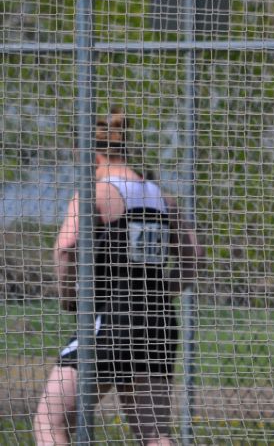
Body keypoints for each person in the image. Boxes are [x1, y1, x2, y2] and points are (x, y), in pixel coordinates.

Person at [33, 109, 204, 446]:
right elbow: (195, 257)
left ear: (90, 152)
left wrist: (69, 296)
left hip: (112, 320)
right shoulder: (162, 197)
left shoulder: (95, 193)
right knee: (154, 434)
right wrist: (160, 292)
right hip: (157, 322)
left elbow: (66, 247)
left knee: (49, 422)